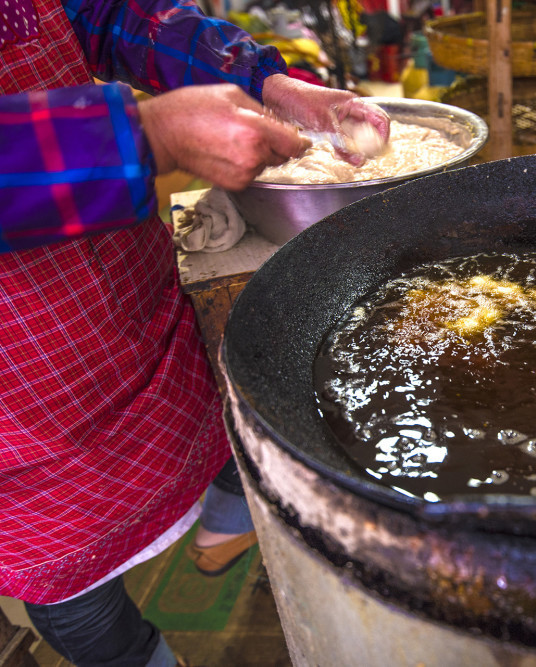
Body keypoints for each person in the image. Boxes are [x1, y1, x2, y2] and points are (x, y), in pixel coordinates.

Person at [0, 0, 389, 663]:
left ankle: (224, 530)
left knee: (223, 418)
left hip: (123, 288)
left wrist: (265, 79)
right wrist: (139, 138)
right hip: (21, 386)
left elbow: (101, 10)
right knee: (71, 576)